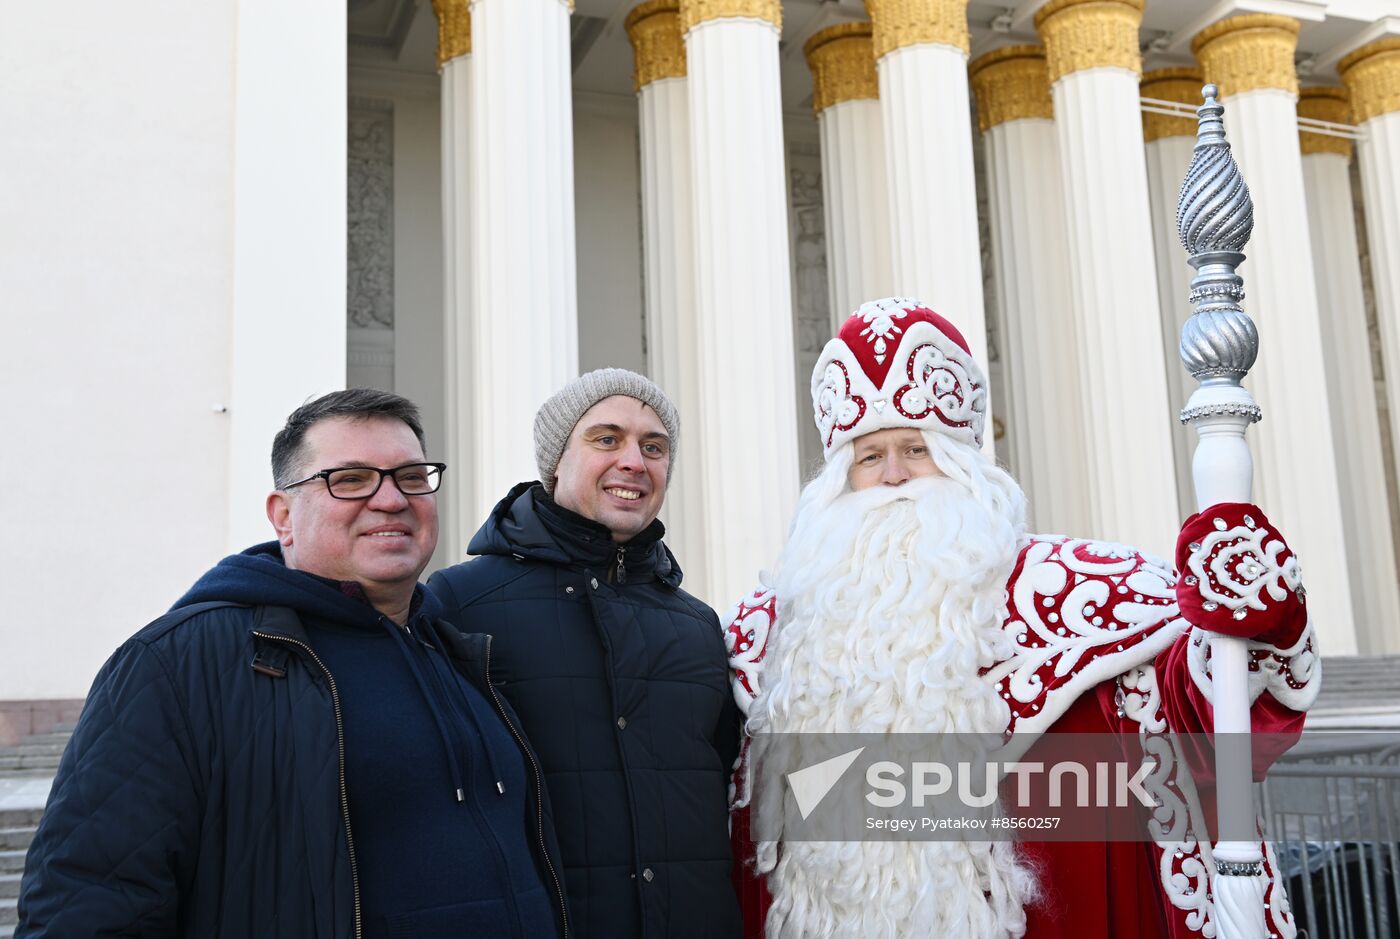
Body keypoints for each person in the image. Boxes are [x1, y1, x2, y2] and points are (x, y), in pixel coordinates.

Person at [723, 298, 1320, 939]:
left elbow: (1208, 723)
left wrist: (1252, 616)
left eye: (916, 449)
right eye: (870, 457)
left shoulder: (1085, 594)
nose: (894, 476)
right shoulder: (772, 641)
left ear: (961, 464)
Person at [18, 389, 567, 938]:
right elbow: (88, 904)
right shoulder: (176, 664)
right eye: (350, 479)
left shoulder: (456, 652)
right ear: (283, 516)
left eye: (411, 476)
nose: (391, 499)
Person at [429, 368, 743, 939]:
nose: (634, 461)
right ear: (555, 462)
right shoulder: (458, 604)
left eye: (654, 447)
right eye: (606, 439)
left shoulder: (698, 626)